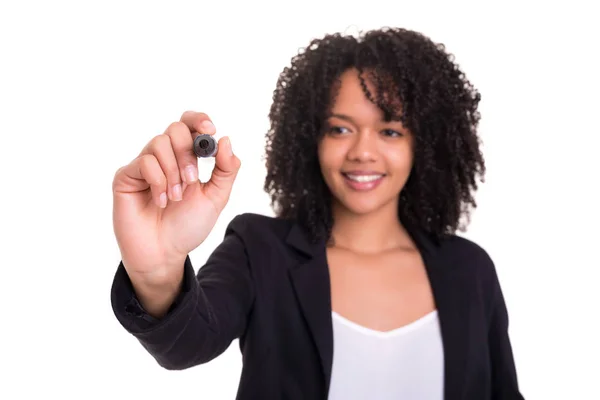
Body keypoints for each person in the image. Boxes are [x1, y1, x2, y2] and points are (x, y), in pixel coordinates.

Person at [110, 27, 524, 399]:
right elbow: (185, 344)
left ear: (425, 144)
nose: (362, 151)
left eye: (390, 131)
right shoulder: (261, 252)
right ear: (310, 138)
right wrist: (157, 270)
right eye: (339, 129)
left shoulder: (469, 271)